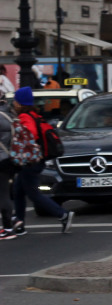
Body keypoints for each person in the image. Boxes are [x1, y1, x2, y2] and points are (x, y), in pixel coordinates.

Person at [9, 87, 74, 236]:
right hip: (36, 160)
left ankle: (63, 215)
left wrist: (18, 137)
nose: (14, 104)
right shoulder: (34, 115)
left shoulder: (25, 117)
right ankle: (19, 224)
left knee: (33, 194)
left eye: (15, 101)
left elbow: (30, 133)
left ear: (20, 103)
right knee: (18, 191)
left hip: (30, 161)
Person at [0, 103, 15, 240]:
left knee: (3, 195)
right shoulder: (9, 115)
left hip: (1, 159)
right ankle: (11, 223)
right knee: (6, 192)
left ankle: (8, 228)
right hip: (8, 158)